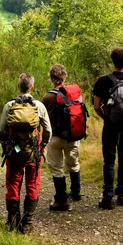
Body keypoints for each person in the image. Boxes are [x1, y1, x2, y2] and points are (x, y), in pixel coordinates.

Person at [0, 73, 51, 233]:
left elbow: (0, 132)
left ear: (18, 86)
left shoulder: (9, 106)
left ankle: (13, 221)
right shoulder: (39, 106)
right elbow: (47, 129)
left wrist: (6, 144)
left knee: (13, 185)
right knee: (32, 185)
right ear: (32, 88)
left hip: (14, 153)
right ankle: (27, 224)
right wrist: (44, 145)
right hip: (34, 153)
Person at [93, 47, 123, 209]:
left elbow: (95, 106)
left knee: (109, 160)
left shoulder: (103, 81)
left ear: (112, 61)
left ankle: (108, 197)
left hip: (110, 126)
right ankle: (122, 195)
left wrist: (106, 118)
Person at [42, 64, 86, 211]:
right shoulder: (75, 94)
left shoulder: (47, 97)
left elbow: (44, 119)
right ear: (64, 77)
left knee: (56, 167)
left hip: (55, 138)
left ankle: (61, 199)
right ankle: (76, 192)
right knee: (73, 163)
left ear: (51, 79)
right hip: (73, 136)